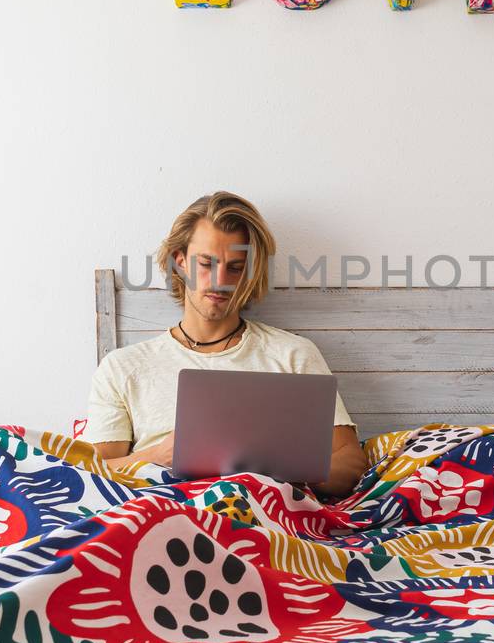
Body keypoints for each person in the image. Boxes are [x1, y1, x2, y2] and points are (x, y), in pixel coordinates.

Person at [85, 191, 369, 497]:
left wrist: (282, 470)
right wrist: (155, 456)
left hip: (265, 514)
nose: (220, 280)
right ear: (180, 262)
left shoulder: (292, 354)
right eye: (206, 263)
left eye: (235, 268)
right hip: (163, 510)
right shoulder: (123, 366)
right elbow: (94, 471)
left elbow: (351, 462)